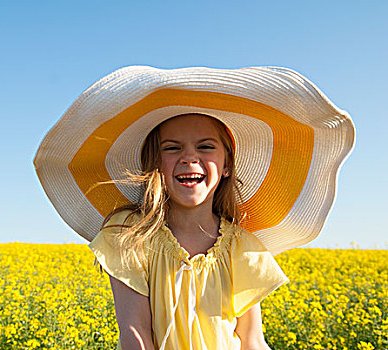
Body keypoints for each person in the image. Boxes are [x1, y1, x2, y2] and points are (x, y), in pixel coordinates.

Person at [34, 65, 355, 350]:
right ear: (155, 164)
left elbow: (252, 340)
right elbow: (136, 338)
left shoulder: (242, 246)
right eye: (172, 148)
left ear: (227, 164)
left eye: (205, 147)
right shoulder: (128, 234)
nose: (189, 158)